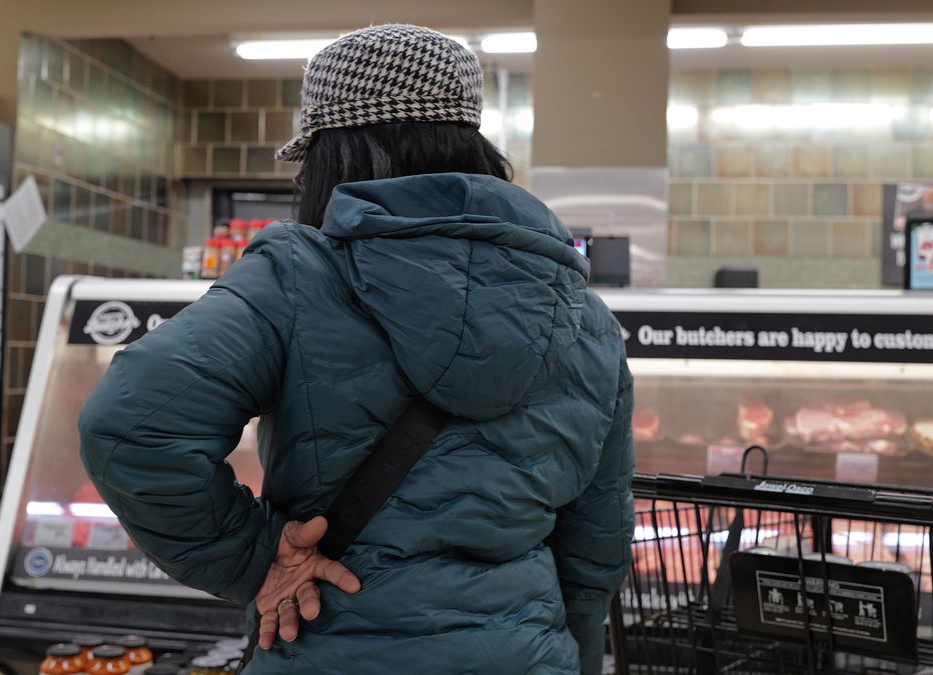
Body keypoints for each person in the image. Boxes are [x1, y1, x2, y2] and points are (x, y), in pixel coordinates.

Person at [78, 24, 634, 674]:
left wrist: (255, 560)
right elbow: (597, 548)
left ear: (337, 156)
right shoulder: (586, 318)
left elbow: (128, 427)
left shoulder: (297, 274)